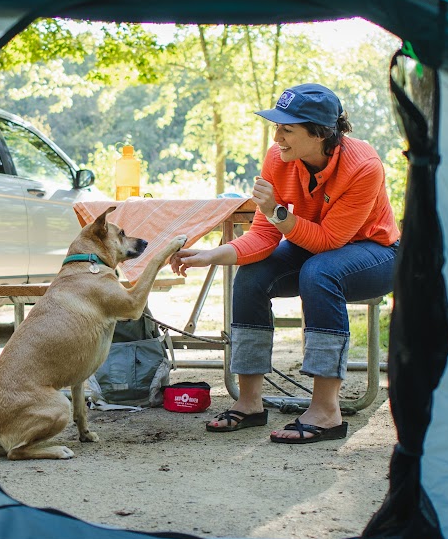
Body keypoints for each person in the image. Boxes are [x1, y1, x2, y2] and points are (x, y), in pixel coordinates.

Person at [168, 83, 399, 443]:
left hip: (376, 253)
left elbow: (328, 242)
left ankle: (326, 411)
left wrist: (277, 212)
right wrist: (212, 255)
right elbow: (263, 236)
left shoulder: (363, 166)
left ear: (320, 133)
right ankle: (249, 403)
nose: (277, 137)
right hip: (313, 245)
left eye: (287, 129)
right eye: (276, 127)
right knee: (252, 276)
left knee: (320, 272)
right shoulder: (279, 158)